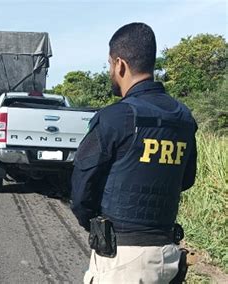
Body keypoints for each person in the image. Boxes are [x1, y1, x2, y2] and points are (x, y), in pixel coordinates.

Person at [71, 22, 197, 283]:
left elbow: (82, 191)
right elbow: (186, 179)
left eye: (109, 65)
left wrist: (96, 227)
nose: (110, 71)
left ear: (120, 65)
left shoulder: (113, 118)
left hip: (121, 261)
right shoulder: (184, 118)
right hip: (167, 258)